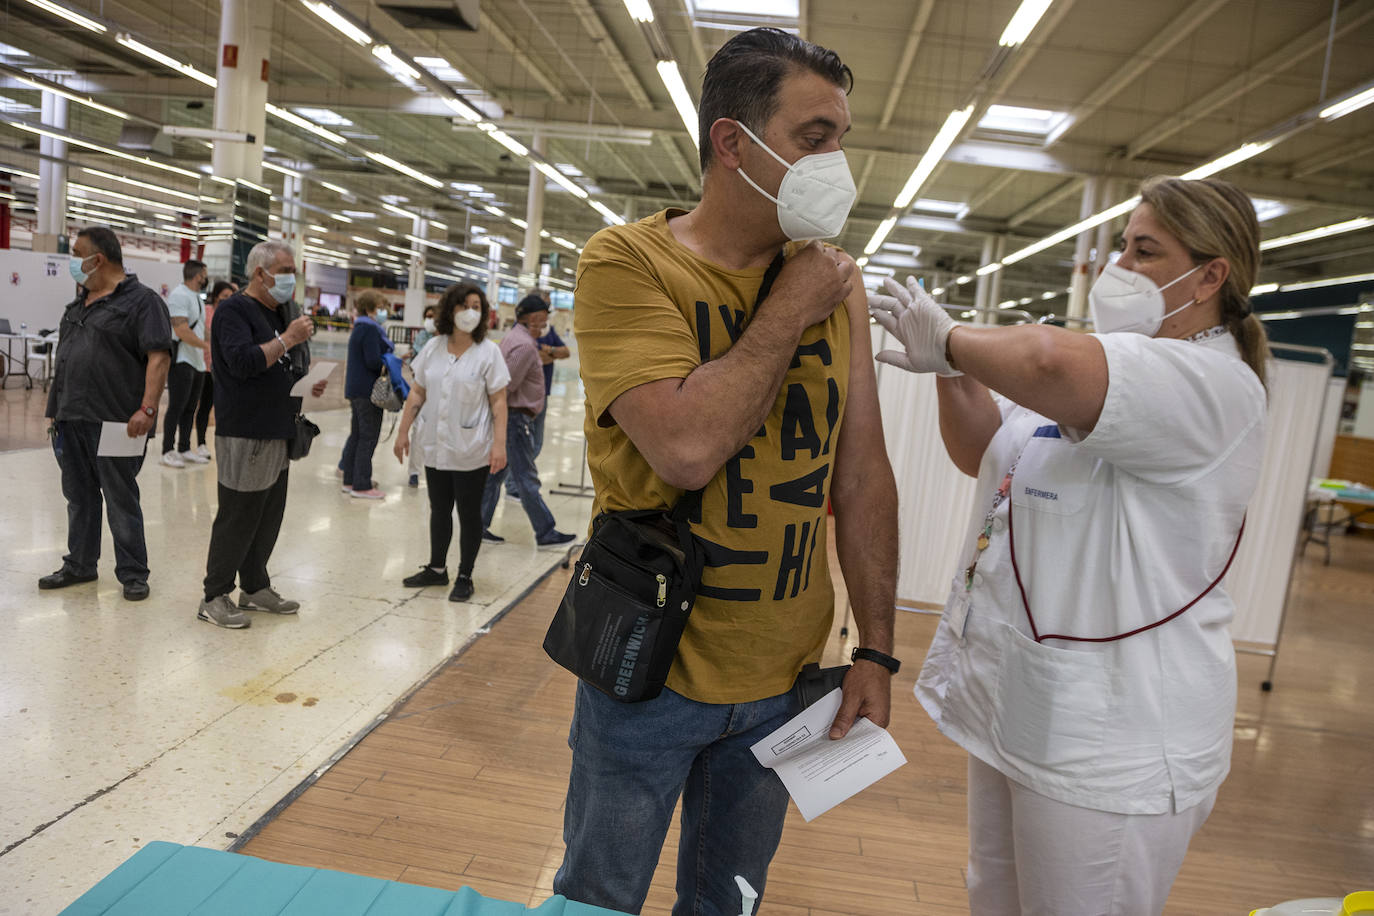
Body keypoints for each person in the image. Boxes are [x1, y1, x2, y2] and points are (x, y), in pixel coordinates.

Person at [554, 28, 898, 916]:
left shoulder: (838, 284)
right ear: (732, 143)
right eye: (813, 137)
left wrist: (878, 650)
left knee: (730, 905)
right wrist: (789, 308)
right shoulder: (627, 263)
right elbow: (685, 447)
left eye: (842, 140)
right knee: (599, 898)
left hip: (786, 679)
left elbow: (863, 477)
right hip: (649, 671)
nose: (837, 163)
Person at [870, 175, 1270, 915]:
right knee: (996, 898)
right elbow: (989, 451)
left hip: (1115, 737)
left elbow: (1051, 360)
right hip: (1027, 706)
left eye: (1145, 250)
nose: (1120, 267)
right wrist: (951, 369)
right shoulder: (1121, 359)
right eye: (1121, 245)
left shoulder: (1213, 383)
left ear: (1212, 275)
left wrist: (953, 335)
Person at [198, 240, 327, 629]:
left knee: (269, 514)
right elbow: (243, 363)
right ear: (260, 273)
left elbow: (280, 367)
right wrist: (288, 338)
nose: (291, 280)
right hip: (246, 430)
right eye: (286, 271)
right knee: (239, 514)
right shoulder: (233, 311)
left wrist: (307, 382)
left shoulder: (282, 310)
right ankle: (214, 595)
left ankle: (254, 586)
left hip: (279, 428)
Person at [39, 226, 173, 602]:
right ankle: (80, 564)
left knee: (120, 497)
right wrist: (54, 413)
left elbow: (158, 358)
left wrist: (148, 409)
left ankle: (133, 573)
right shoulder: (76, 307)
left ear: (97, 259)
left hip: (118, 422)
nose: (72, 260)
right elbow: (65, 363)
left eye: (76, 252)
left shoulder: (142, 302)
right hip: (71, 419)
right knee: (79, 497)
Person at [394, 283, 509, 602]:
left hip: (472, 446)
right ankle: (436, 569)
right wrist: (403, 431)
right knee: (439, 509)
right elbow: (418, 391)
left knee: (469, 512)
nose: (470, 312)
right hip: (436, 444)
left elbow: (499, 402)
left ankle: (465, 574)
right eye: (464, 305)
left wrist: (499, 445)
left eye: (476, 306)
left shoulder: (489, 352)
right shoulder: (433, 347)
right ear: (450, 310)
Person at [478, 295, 576, 547]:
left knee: (497, 474)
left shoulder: (517, 338)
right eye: (544, 315)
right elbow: (506, 384)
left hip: (514, 417)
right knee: (526, 476)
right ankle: (545, 531)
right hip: (516, 419)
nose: (547, 320)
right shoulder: (523, 345)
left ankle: (478, 526)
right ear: (534, 317)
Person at [505, 289, 569, 500]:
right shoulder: (522, 335)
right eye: (545, 307)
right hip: (521, 402)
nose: (548, 314)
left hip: (541, 396)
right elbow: (535, 360)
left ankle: (514, 483)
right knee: (524, 446)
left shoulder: (545, 332)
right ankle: (515, 485)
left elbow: (564, 352)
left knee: (535, 443)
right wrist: (547, 354)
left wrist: (547, 351)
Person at [340, 290, 392, 500]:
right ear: (371, 308)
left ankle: (350, 480)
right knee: (368, 437)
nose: (383, 311)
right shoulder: (370, 330)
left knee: (357, 435)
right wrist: (389, 362)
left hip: (356, 389)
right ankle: (361, 485)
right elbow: (372, 361)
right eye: (380, 307)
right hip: (367, 391)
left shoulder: (359, 327)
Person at [160, 259, 211, 468]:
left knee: (191, 407)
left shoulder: (197, 298)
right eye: (205, 274)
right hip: (182, 360)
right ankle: (167, 450)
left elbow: (200, 328)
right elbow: (181, 330)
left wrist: (209, 343)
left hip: (197, 361)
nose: (206, 278)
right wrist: (205, 346)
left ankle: (184, 447)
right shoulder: (179, 295)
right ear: (198, 275)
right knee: (176, 406)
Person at [193, 280, 236, 457]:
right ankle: (201, 443)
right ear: (216, 295)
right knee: (204, 406)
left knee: (224, 407)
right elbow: (204, 333)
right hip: (205, 366)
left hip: (225, 368)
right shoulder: (207, 311)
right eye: (224, 296)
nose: (227, 299)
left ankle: (224, 442)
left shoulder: (234, 314)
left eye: (230, 296)